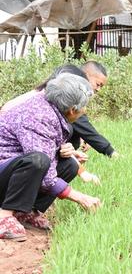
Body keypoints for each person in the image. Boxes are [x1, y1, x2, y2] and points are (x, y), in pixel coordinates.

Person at [0, 73, 102, 241]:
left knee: (69, 164)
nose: (85, 111)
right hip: (4, 169)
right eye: (84, 107)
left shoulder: (49, 106)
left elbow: (41, 145)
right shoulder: (38, 116)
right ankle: (3, 216)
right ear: (72, 110)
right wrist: (81, 198)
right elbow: (45, 173)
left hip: (10, 170)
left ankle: (26, 212)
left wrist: (63, 151)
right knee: (38, 161)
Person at [2, 61, 119, 158]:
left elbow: (80, 122)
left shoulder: (52, 92)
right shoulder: (63, 95)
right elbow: (82, 124)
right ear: (85, 76)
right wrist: (111, 152)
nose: (98, 89)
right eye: (98, 84)